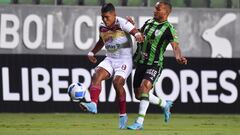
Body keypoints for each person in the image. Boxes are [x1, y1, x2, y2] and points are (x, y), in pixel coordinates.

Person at [79, 3, 144, 129]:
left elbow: (134, 31)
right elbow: (102, 41)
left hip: (125, 60)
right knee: (96, 75)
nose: (104, 19)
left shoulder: (122, 23)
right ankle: (93, 104)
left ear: (114, 15)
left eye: (107, 17)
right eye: (103, 17)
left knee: (117, 82)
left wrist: (137, 35)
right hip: (110, 58)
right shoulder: (102, 26)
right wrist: (92, 52)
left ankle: (123, 115)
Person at [127, 1, 187, 130]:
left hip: (154, 64)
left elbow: (175, 46)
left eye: (157, 9)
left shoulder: (169, 28)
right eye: (155, 8)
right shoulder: (149, 22)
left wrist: (178, 57)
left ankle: (139, 123)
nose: (154, 11)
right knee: (139, 95)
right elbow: (141, 35)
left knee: (145, 88)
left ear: (166, 12)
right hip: (140, 62)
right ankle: (164, 104)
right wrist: (133, 27)